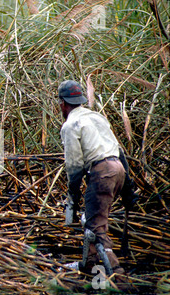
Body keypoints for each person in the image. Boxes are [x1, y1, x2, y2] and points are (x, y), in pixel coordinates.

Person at [58, 80, 127, 278]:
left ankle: (118, 275)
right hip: (118, 169)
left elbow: (74, 165)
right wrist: (128, 184)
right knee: (93, 219)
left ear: (62, 103)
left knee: (95, 229)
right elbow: (119, 150)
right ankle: (89, 265)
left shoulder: (71, 125)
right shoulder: (97, 117)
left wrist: (73, 193)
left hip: (102, 172)